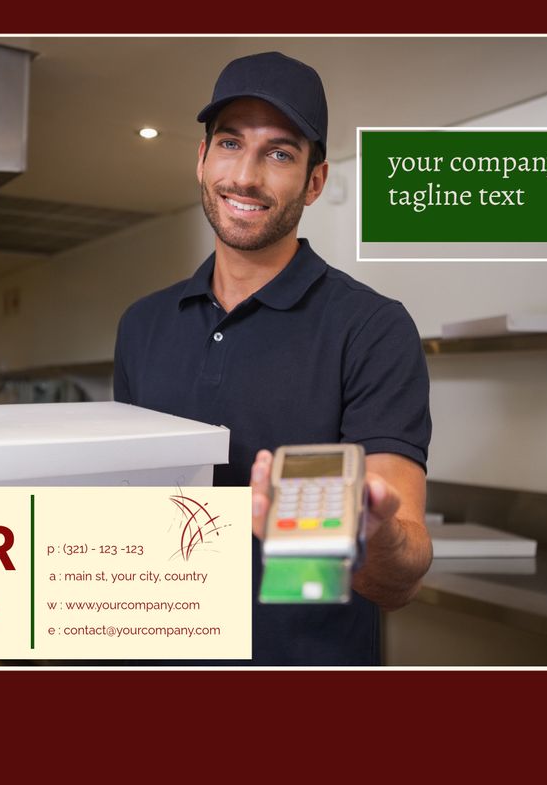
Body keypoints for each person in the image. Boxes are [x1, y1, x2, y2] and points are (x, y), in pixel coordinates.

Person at [113, 51, 433, 665]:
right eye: (230, 143)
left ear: (315, 181)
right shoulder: (142, 325)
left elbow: (403, 573)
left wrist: (374, 536)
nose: (247, 175)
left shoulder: (371, 328)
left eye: (280, 153)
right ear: (201, 160)